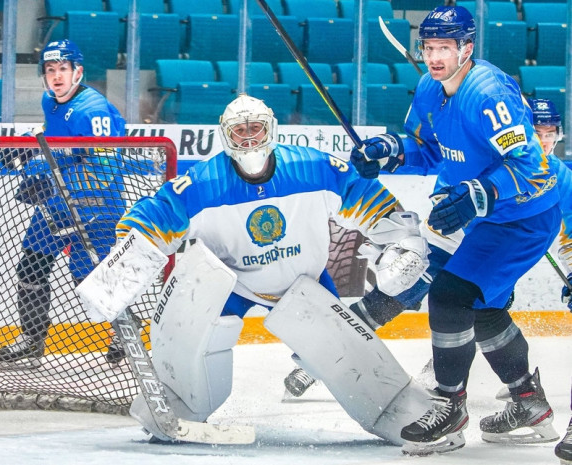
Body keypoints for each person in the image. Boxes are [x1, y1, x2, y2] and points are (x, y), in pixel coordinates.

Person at [79, 93, 434, 445]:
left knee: (343, 350)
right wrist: (122, 266)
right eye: (239, 131)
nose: (248, 138)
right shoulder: (202, 184)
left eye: (256, 128)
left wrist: (403, 239)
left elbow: (365, 195)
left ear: (272, 131)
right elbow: (153, 215)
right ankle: (181, 402)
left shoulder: (313, 167)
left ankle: (396, 409)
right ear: (225, 135)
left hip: (304, 282)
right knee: (194, 326)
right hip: (232, 285)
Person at [349, 6, 561, 455]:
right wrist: (388, 151)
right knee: (479, 308)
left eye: (445, 47)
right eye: (428, 47)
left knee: (449, 295)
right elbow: (428, 149)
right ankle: (529, 404)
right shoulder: (429, 88)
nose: (434, 57)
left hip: (524, 217)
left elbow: (535, 166)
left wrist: (479, 193)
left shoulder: (488, 93)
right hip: (492, 218)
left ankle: (450, 406)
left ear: (466, 47)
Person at [0, 39, 127, 367]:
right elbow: (50, 132)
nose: (56, 76)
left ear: (77, 72)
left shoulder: (92, 111)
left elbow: (106, 167)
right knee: (31, 264)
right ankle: (32, 339)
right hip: (58, 203)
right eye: (50, 70)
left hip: (97, 207)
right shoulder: (49, 100)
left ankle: (124, 330)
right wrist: (27, 145)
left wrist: (50, 186)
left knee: (89, 279)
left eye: (62, 69)